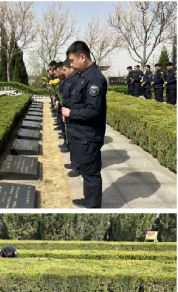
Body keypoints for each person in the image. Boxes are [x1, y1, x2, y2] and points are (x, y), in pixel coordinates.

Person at [61, 41, 107, 208]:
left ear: (82, 57)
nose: (71, 65)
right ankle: (89, 199)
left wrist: (71, 113)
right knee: (86, 172)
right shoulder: (83, 76)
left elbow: (93, 111)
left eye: (72, 61)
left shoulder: (94, 78)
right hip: (80, 133)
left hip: (89, 136)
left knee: (91, 174)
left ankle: (93, 207)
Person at [63, 59, 81, 178]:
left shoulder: (77, 80)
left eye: (65, 70)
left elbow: (75, 100)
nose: (64, 72)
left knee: (75, 142)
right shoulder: (70, 80)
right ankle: (73, 163)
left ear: (71, 69)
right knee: (71, 140)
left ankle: (77, 166)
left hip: (73, 113)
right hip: (69, 113)